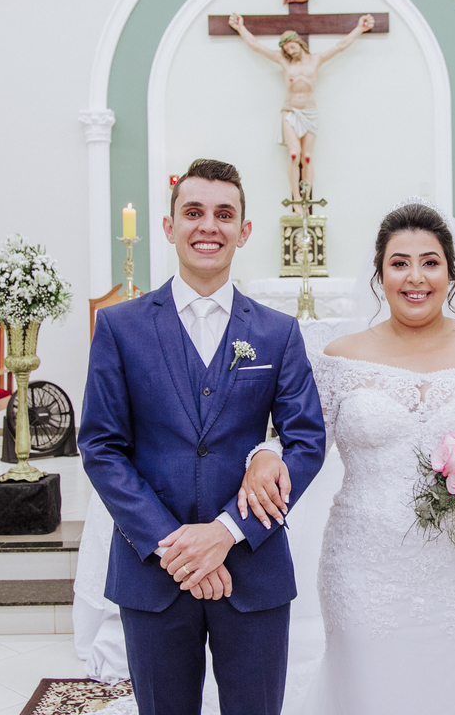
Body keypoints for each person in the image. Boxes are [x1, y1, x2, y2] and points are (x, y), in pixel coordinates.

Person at [238, 199, 455, 714]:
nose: (415, 277)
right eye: (399, 263)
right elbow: (301, 440)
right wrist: (264, 454)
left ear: (451, 272)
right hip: (365, 567)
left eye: (430, 262)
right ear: (379, 274)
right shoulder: (341, 357)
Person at [79, 158, 327, 715]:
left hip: (253, 568)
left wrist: (226, 531)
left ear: (244, 230)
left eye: (223, 214)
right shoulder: (120, 327)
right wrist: (176, 546)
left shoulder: (278, 332)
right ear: (170, 227)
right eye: (193, 212)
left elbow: (306, 441)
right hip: (153, 572)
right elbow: (101, 447)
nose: (208, 226)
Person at [227, 14, 374, 213]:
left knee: (307, 157)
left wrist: (360, 28)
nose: (289, 50)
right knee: (294, 154)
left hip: (309, 112)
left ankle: (306, 198)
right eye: (285, 48)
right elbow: (257, 46)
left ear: (298, 42)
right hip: (289, 112)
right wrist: (240, 28)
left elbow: (340, 46)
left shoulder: (316, 59)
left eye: (291, 45)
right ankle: (296, 198)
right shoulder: (284, 62)